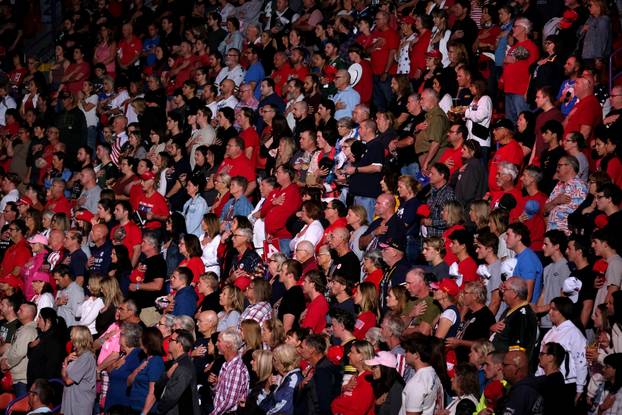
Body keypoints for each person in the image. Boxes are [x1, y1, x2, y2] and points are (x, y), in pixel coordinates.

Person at [155, 329, 200, 415]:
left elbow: (171, 397)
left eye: (171, 340)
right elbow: (157, 388)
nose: (168, 341)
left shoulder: (184, 367)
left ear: (179, 345)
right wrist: (166, 376)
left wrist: (159, 409)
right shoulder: (176, 363)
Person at [490, 277, 538, 358]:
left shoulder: (523, 316)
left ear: (514, 293)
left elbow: (517, 351)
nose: (502, 291)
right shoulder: (512, 310)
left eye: (505, 289)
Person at [297, 333, 342, 414]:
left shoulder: (323, 371)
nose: (299, 350)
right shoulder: (321, 367)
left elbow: (324, 404)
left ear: (312, 350)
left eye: (302, 347)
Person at [400, 333, 444, 415]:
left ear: (416, 355)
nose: (404, 354)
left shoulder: (417, 384)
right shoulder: (433, 373)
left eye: (407, 351)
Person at [0, 302, 38, 396]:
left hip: (22, 380)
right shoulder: (22, 329)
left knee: (21, 408)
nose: (17, 312)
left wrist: (6, 363)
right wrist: (2, 360)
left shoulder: (28, 331)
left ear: (29, 313)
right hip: (16, 377)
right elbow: (11, 347)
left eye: (21, 310)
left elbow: (19, 352)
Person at [330, 340, 376, 415]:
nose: (348, 355)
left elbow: (357, 411)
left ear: (361, 356)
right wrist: (344, 388)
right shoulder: (357, 376)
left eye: (351, 352)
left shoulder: (367, 379)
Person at [211, 327, 250, 415]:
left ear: (228, 344)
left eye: (219, 341)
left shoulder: (236, 369)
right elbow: (221, 394)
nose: (216, 344)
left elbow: (230, 401)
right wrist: (215, 384)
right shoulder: (226, 365)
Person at [128, 327, 165, 415]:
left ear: (147, 341)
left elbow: (153, 392)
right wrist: (137, 369)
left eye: (141, 337)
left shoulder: (156, 362)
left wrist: (144, 413)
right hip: (134, 408)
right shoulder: (144, 359)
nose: (139, 339)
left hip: (146, 411)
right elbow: (128, 382)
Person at [61, 326, 97, 415]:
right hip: (72, 399)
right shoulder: (77, 356)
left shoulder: (86, 357)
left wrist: (65, 367)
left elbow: (68, 380)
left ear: (78, 338)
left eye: (72, 335)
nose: (70, 338)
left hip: (80, 403)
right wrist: (65, 361)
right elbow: (64, 374)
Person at [259, 343, 302, 415]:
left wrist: (261, 404)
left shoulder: (293, 379)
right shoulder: (283, 377)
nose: (272, 362)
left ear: (283, 362)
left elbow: (283, 407)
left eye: (274, 359)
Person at [27, 307, 66, 385]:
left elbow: (52, 368)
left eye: (40, 317)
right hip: (36, 384)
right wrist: (30, 345)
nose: (37, 320)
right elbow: (30, 355)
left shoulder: (53, 340)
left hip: (43, 387)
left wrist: (43, 386)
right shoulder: (42, 336)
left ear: (47, 321)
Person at [499, 350, 544, 415]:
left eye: (505, 365)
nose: (501, 368)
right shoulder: (529, 387)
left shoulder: (521, 392)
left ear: (516, 369)